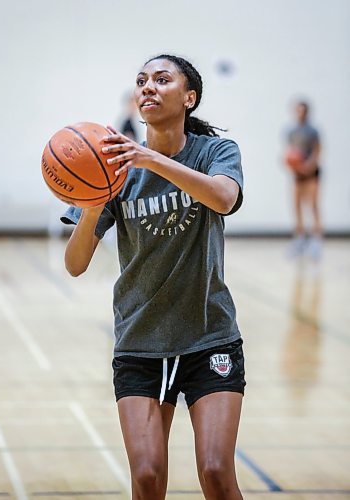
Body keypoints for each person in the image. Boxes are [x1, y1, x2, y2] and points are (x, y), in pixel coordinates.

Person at [61, 54, 245, 500]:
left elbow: (223, 198)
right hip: (140, 343)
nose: (147, 87)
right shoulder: (114, 166)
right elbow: (75, 262)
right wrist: (92, 200)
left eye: (162, 80)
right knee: (145, 477)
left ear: (189, 97)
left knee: (217, 472)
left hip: (209, 336)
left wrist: (151, 160)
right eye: (141, 80)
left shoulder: (215, 153)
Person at [284, 101, 323, 259]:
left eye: (303, 111)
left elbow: (318, 151)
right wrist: (294, 166)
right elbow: (289, 153)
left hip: (312, 172)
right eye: (298, 111)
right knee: (297, 206)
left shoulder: (313, 131)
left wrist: (308, 166)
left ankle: (316, 241)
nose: (300, 113)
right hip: (298, 173)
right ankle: (299, 240)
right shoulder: (291, 131)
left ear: (307, 112)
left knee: (313, 206)